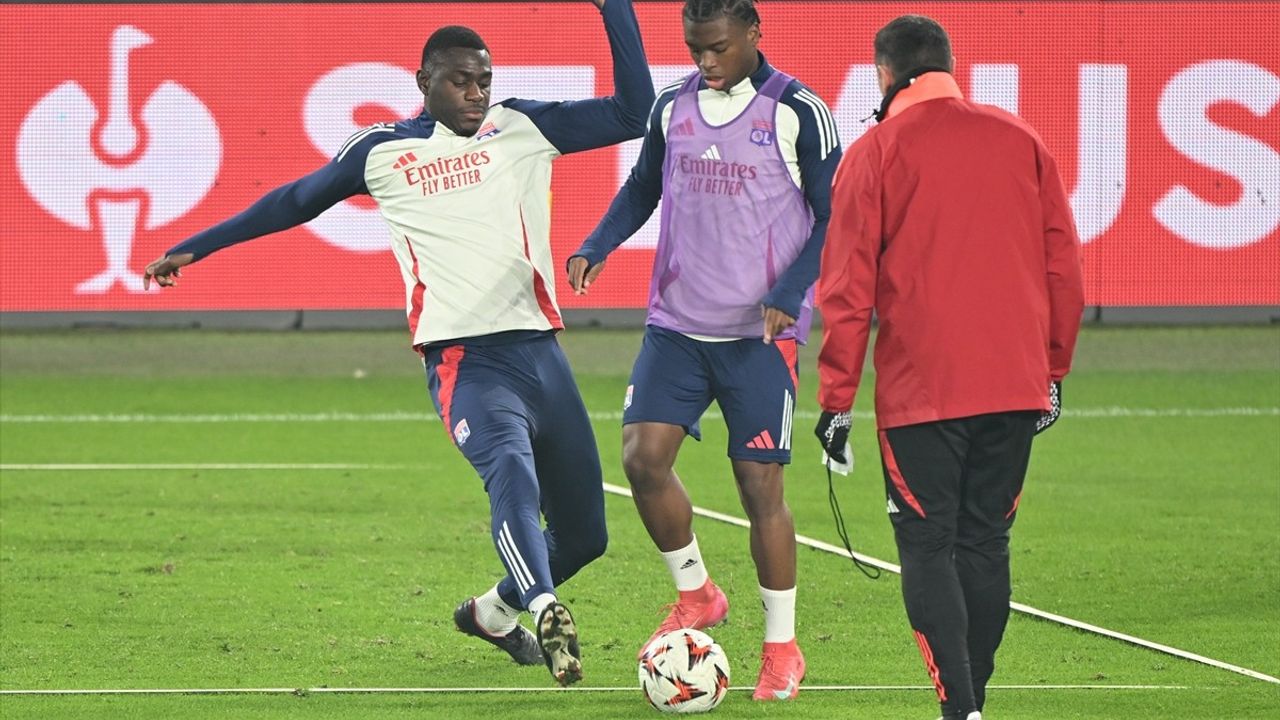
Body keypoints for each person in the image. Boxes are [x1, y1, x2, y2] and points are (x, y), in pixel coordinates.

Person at [143, 0, 653, 687]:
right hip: (466, 362)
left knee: (587, 537)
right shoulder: (382, 150)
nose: (475, 93)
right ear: (424, 81)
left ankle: (493, 613)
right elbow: (294, 200)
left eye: (483, 80)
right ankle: (543, 606)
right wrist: (197, 247)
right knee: (510, 470)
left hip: (542, 354)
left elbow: (632, 112)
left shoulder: (523, 126)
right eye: (460, 81)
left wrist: (614, 7)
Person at [812, 15, 1085, 720]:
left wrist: (837, 399)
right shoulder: (1021, 138)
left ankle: (960, 707)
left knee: (930, 545)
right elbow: (1064, 266)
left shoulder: (873, 153)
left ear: (883, 75)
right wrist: (1052, 370)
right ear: (948, 67)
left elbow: (847, 288)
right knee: (986, 540)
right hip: (1014, 384)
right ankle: (974, 699)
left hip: (922, 393)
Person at [567, 0, 840, 701]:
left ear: (754, 33)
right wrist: (599, 241)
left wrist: (790, 287)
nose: (706, 61)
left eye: (717, 47)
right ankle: (697, 594)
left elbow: (837, 214)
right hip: (677, 328)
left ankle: (783, 649)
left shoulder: (799, 111)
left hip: (760, 337)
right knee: (641, 460)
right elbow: (642, 186)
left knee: (759, 490)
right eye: (695, 49)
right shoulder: (671, 106)